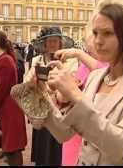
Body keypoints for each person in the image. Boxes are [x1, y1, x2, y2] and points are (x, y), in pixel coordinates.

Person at [25, 3, 123, 165]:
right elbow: (64, 132)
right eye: (95, 33)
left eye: (107, 33)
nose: (98, 41)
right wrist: (36, 93)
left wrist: (74, 94)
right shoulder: (96, 77)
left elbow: (122, 145)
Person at [25, 26, 78, 166]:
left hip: (61, 114)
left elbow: (73, 86)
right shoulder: (36, 60)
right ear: (44, 43)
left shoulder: (70, 62)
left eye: (56, 41)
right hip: (42, 110)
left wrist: (53, 89)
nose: (53, 44)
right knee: (43, 151)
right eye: (50, 41)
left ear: (61, 43)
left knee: (57, 152)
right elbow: (27, 84)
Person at [56, 35, 107, 166]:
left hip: (91, 129)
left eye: (90, 51)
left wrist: (78, 54)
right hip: (75, 128)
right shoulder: (84, 66)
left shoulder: (107, 67)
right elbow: (65, 97)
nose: (87, 53)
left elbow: (103, 71)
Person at [0, 30, 27, 166]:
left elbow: (0, 90)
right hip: (7, 108)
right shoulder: (4, 59)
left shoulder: (5, 61)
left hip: (9, 109)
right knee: (10, 149)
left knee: (13, 149)